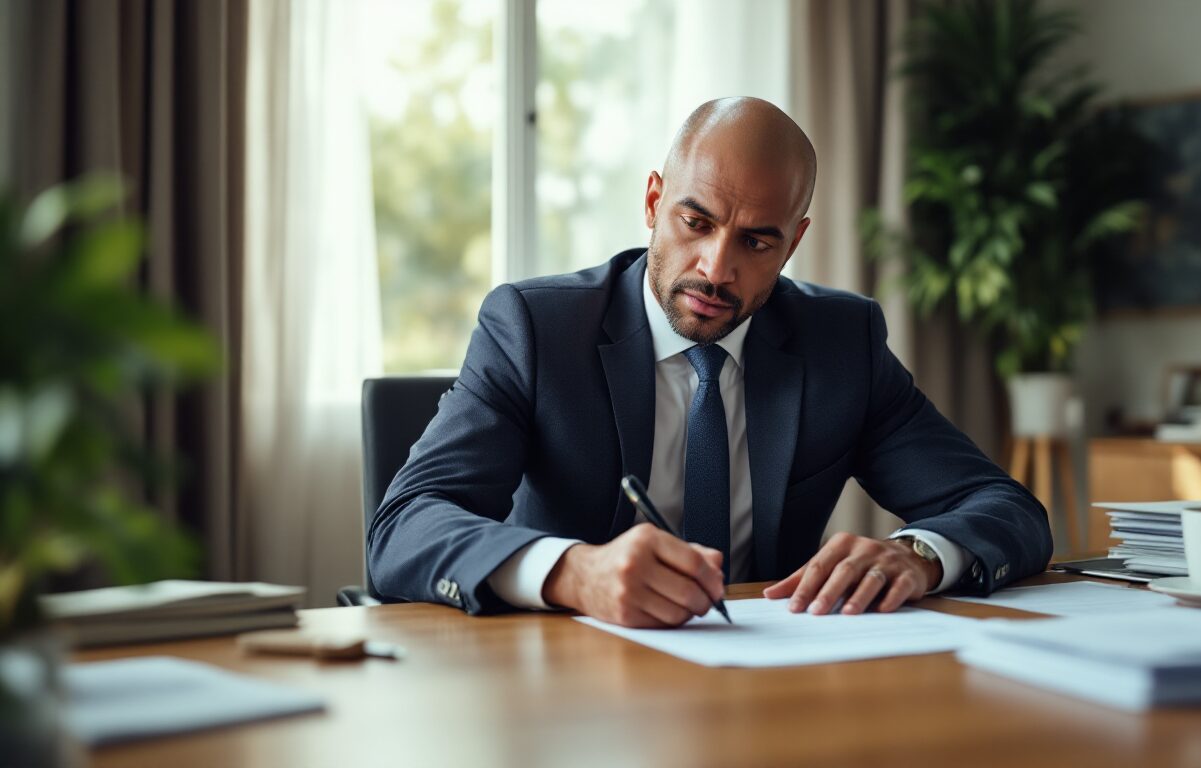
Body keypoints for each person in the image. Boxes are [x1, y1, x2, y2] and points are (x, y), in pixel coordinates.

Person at [368, 97, 1052, 628]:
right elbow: (405, 526)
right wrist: (576, 573)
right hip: (570, 679)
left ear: (793, 244)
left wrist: (919, 555)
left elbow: (1006, 509)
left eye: (757, 241)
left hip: (771, 685)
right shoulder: (536, 329)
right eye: (696, 223)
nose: (716, 269)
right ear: (652, 201)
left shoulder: (841, 342)